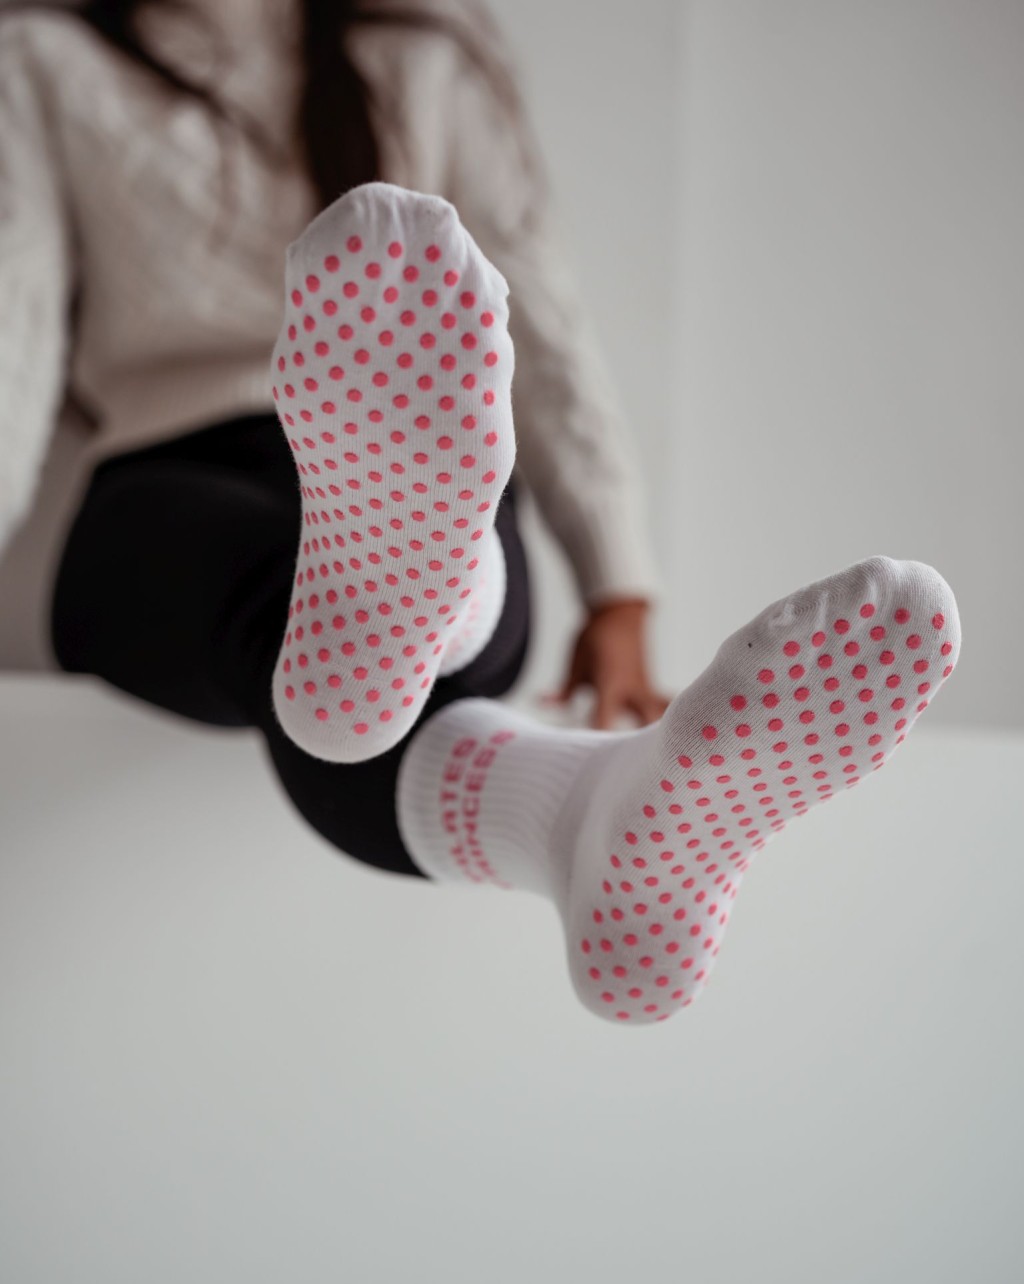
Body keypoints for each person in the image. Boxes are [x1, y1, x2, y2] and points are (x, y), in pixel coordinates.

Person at [0, 0, 961, 1026]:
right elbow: (14, 322)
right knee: (274, 612)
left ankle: (430, 602)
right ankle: (567, 791)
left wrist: (618, 587)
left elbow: (541, 326)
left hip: (417, 443)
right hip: (176, 477)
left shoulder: (419, 62)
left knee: (328, 669)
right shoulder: (39, 59)